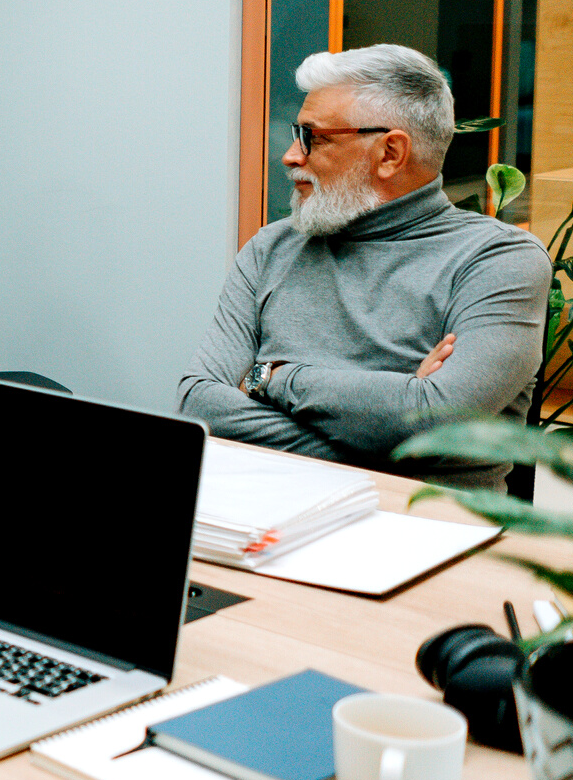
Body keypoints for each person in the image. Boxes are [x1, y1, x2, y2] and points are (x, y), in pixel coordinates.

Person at [178, 45, 550, 489]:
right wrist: (393, 422)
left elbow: (439, 423)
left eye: (313, 137)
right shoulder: (272, 247)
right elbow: (200, 404)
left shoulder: (497, 259)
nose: (291, 156)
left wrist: (271, 378)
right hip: (258, 509)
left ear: (390, 153)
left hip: (422, 523)